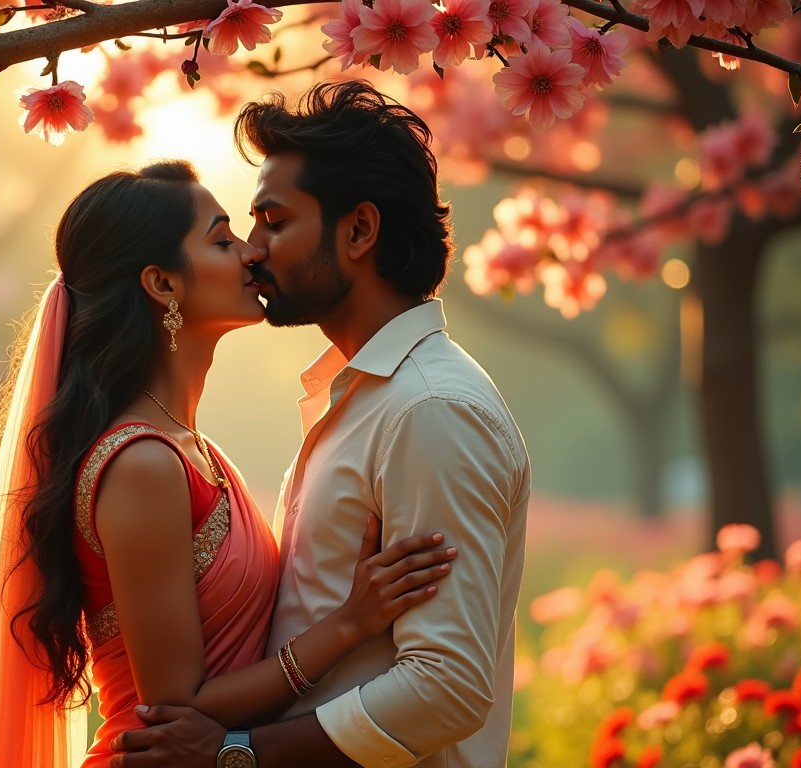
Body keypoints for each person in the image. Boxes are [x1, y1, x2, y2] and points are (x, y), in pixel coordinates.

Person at [0, 160, 458, 768]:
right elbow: (181, 705)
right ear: (162, 285)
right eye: (221, 239)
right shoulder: (142, 464)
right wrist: (348, 625)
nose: (249, 254)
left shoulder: (194, 450)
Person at [111, 81, 530, 768]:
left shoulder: (431, 411)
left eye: (274, 223)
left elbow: (447, 688)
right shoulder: (361, 399)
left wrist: (235, 754)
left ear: (359, 231)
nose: (251, 250)